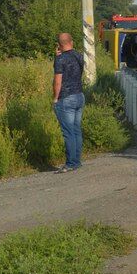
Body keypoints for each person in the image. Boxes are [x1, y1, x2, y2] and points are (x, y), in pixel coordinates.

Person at [52, 32, 85, 173]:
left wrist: (55, 98)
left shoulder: (60, 60)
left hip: (66, 98)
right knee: (76, 130)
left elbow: (58, 81)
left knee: (68, 132)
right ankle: (77, 161)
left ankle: (71, 163)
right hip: (79, 96)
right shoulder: (79, 56)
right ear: (71, 41)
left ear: (59, 45)